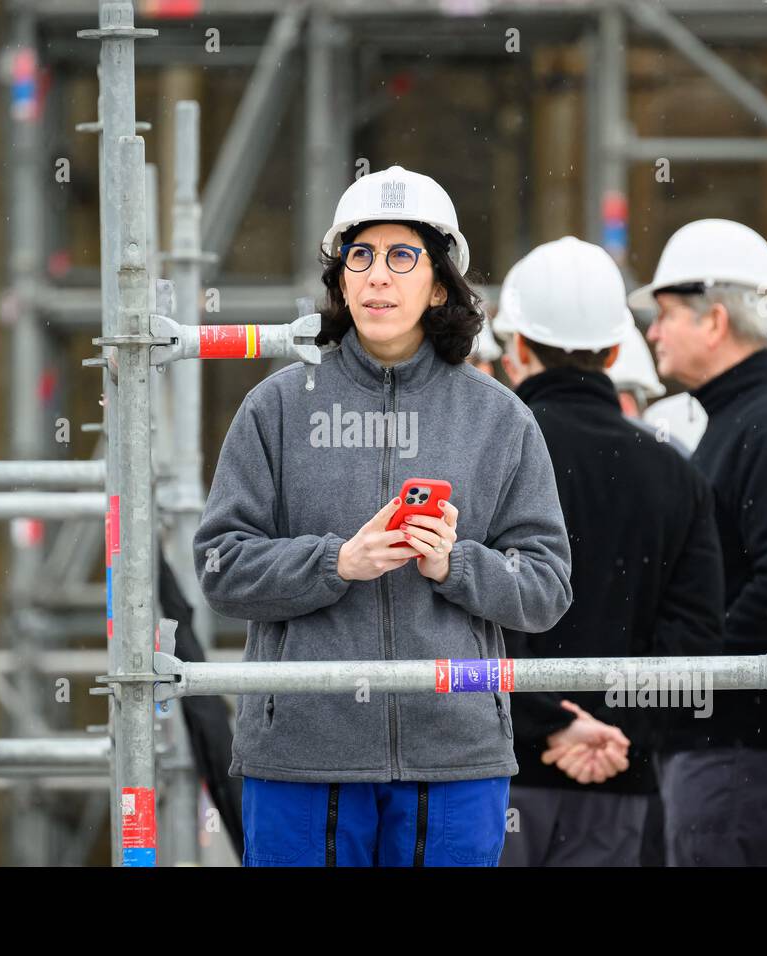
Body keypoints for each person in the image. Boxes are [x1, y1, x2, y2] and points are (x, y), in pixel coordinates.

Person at [193, 165, 573, 867]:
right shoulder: (276, 409)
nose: (377, 277)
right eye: (359, 257)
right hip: (303, 759)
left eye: (403, 257)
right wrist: (335, 562)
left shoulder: (499, 419)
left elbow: (547, 586)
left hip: (454, 760)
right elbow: (220, 565)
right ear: (340, 279)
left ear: (438, 285)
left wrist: (455, 565)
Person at [490, 236, 725, 867]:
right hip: (621, 776)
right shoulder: (676, 475)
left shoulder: (487, 459)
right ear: (617, 348)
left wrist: (548, 724)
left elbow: (458, 617)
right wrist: (616, 730)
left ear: (515, 350)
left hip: (496, 776)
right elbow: (694, 641)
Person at [630, 218, 767, 866]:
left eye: (666, 314)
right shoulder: (752, 419)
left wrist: (683, 666)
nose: (652, 331)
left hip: (738, 754)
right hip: (727, 748)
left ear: (715, 321)